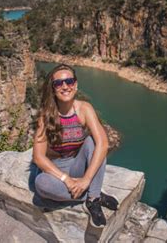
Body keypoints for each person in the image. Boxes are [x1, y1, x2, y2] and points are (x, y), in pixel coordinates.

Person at [32, 63, 119, 228]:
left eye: (69, 81)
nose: (65, 86)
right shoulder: (46, 116)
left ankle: (93, 199)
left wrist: (85, 180)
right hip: (55, 171)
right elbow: (38, 157)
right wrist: (67, 180)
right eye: (59, 83)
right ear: (53, 88)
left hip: (76, 164)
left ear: (76, 84)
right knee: (40, 184)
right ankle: (94, 193)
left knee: (93, 143)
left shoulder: (84, 108)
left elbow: (103, 143)